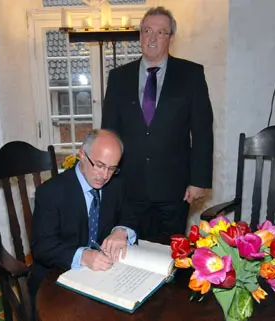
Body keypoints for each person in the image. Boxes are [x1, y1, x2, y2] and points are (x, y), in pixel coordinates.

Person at [101, 6, 213, 239]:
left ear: (171, 38)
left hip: (175, 190)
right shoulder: (118, 77)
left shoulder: (191, 75)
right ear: (140, 35)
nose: (152, 38)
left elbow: (202, 131)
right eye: (147, 31)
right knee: (128, 254)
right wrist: (107, 179)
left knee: (170, 258)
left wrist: (199, 180)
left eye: (161, 32)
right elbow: (109, 132)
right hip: (128, 188)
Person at [28, 129, 137, 302]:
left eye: (112, 169)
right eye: (99, 165)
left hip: (104, 276)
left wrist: (121, 231)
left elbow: (130, 215)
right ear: (82, 155)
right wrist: (84, 256)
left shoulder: (116, 185)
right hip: (56, 277)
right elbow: (42, 246)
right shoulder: (51, 192)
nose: (104, 176)